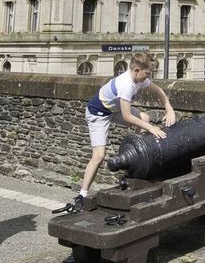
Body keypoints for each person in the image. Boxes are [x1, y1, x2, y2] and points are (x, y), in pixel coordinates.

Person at [65, 52, 176, 214]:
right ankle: (82, 195)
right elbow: (127, 116)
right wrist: (151, 128)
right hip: (98, 113)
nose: (148, 77)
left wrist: (169, 108)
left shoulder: (141, 79)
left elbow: (158, 91)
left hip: (114, 109)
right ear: (137, 70)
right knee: (99, 155)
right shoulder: (126, 84)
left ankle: (137, 155)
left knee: (144, 117)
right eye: (147, 73)